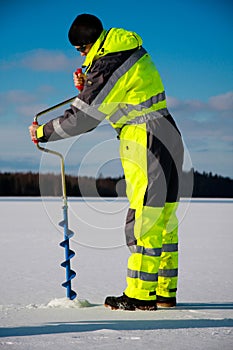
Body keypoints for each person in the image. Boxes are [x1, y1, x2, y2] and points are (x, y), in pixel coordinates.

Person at [29, 13, 184, 311]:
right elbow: (112, 93)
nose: (81, 55)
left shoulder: (109, 61)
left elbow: (84, 118)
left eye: (80, 50)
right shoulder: (125, 50)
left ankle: (140, 296)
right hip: (167, 132)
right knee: (163, 218)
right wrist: (87, 83)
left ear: (88, 44)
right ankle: (164, 292)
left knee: (144, 218)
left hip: (145, 137)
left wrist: (42, 132)